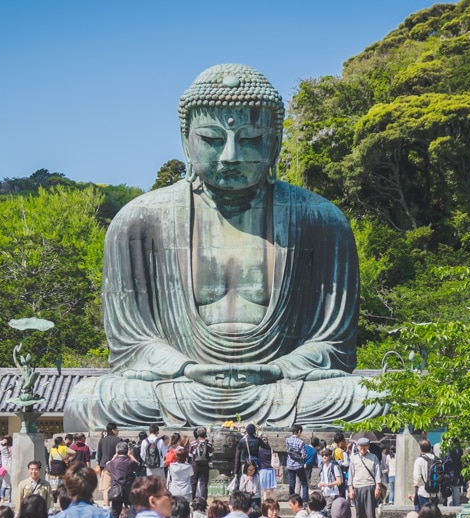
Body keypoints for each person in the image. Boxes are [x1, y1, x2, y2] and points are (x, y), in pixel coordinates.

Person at [63, 63, 384, 431]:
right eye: (212, 140)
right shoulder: (139, 221)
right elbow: (131, 344)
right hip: (182, 386)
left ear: (275, 141)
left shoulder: (320, 220)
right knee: (90, 400)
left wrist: (277, 368)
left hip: (281, 386)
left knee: (371, 397)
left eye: (250, 139)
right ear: (186, 139)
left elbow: (333, 345)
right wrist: (186, 368)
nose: (230, 156)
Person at [347, 437, 383, 518]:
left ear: (368, 446)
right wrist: (350, 489)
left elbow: (378, 474)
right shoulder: (353, 458)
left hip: (370, 486)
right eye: (360, 446)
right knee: (359, 514)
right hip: (357, 487)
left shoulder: (373, 457)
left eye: (365, 446)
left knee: (370, 514)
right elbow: (351, 475)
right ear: (357, 446)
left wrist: (377, 487)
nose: (362, 448)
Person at [105, 441, 138, 518]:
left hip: (117, 489)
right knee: (131, 509)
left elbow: (107, 466)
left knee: (115, 510)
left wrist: (114, 457)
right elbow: (137, 465)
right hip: (128, 488)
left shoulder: (113, 463)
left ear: (117, 451)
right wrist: (131, 456)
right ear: (127, 451)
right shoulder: (130, 462)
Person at [412, 439, 439, 510]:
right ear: (430, 448)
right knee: (433, 513)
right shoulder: (437, 459)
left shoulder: (419, 460)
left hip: (423, 491)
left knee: (424, 513)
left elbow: (417, 477)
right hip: (435, 491)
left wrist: (415, 484)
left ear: (420, 449)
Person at [286, 425, 309, 502]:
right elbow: (304, 455)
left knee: (292, 483)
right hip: (298, 465)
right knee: (304, 483)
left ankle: (291, 499)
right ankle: (305, 500)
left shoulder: (287, 440)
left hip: (290, 464)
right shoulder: (301, 442)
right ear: (299, 431)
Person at [190, 427, 212, 500]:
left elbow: (190, 454)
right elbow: (211, 454)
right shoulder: (208, 443)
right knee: (204, 483)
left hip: (195, 465)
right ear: (205, 434)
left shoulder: (193, 443)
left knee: (193, 483)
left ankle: (193, 499)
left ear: (197, 434)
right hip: (205, 465)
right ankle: (204, 499)